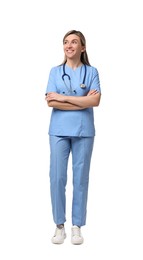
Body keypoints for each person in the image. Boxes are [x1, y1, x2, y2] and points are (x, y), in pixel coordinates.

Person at [45, 30, 101, 245]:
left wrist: (63, 97)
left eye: (74, 42)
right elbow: (51, 103)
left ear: (82, 47)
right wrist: (80, 101)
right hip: (58, 131)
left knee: (80, 179)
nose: (69, 46)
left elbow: (95, 102)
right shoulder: (55, 71)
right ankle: (60, 225)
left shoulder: (92, 71)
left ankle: (77, 226)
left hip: (83, 131)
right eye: (66, 42)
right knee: (57, 178)